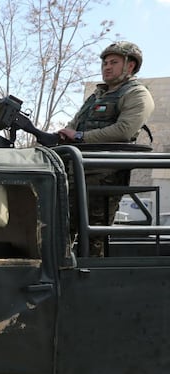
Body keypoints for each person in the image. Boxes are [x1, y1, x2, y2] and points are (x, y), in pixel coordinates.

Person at [57, 41, 155, 256]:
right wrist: (65, 134)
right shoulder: (96, 96)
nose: (107, 67)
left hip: (104, 176)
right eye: (104, 63)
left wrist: (80, 137)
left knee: (92, 236)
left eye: (114, 62)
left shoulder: (137, 94)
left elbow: (124, 130)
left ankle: (90, 284)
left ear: (130, 66)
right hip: (76, 171)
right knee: (60, 230)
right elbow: (74, 124)